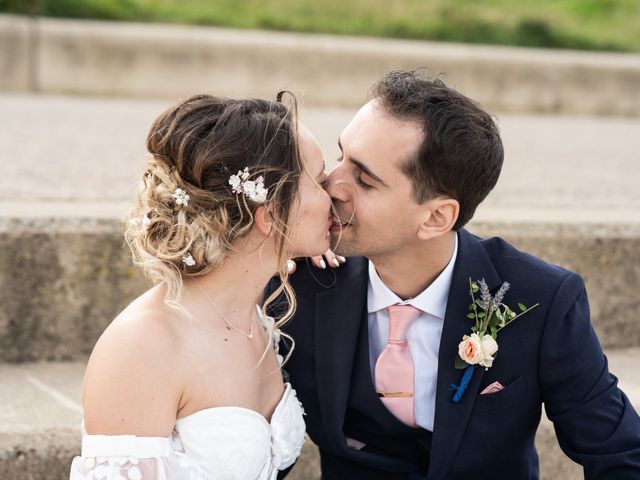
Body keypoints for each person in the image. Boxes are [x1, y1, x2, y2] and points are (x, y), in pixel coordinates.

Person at [271, 70, 640, 479]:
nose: (332, 185)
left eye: (365, 180)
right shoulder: (297, 281)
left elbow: (620, 454)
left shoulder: (540, 299)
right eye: (341, 156)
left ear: (436, 218)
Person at [68, 93, 337, 480]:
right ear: (272, 214)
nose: (336, 194)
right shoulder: (143, 347)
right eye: (321, 179)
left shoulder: (257, 318)